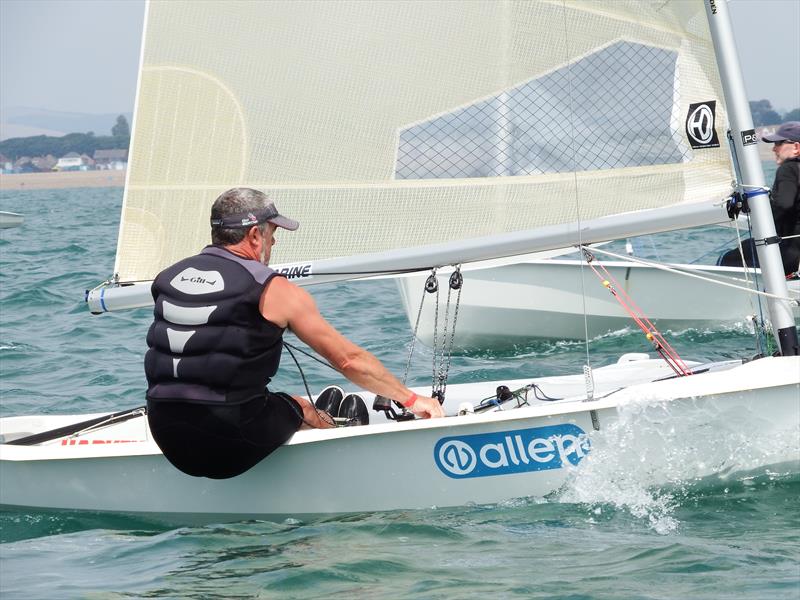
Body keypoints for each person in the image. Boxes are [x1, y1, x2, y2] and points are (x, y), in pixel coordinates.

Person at [144, 187, 445, 479]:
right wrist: (411, 400)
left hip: (165, 432)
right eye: (272, 234)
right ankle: (343, 446)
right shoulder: (273, 289)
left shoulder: (168, 277)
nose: (274, 243)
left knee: (258, 403)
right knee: (300, 407)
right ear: (253, 235)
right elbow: (349, 360)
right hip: (228, 441)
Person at [717, 121, 800, 276]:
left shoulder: (789, 169)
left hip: (786, 255)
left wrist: (759, 216)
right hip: (795, 254)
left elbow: (784, 204)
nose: (774, 148)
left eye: (779, 143)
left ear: (796, 147)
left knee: (726, 259)